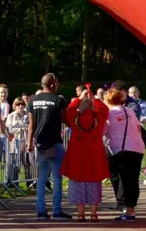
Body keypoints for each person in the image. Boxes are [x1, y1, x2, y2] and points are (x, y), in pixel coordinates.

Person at [27, 73, 72, 220]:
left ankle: (41, 211)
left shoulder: (33, 100)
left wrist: (29, 143)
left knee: (41, 178)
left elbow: (31, 125)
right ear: (53, 84)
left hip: (40, 144)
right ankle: (57, 211)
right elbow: (65, 119)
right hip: (55, 143)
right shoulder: (58, 99)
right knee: (57, 177)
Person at [62, 86, 110, 222]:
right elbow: (105, 109)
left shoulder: (74, 117)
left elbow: (69, 110)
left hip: (78, 154)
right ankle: (94, 214)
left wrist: (79, 98)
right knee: (94, 183)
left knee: (79, 183)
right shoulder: (98, 118)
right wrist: (95, 98)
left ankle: (80, 214)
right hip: (94, 153)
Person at [105, 88, 146, 221]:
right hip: (137, 147)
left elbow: (103, 131)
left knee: (122, 178)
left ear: (107, 100)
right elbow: (138, 127)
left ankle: (126, 207)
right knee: (132, 179)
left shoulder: (109, 114)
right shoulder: (129, 111)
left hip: (122, 149)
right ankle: (130, 210)